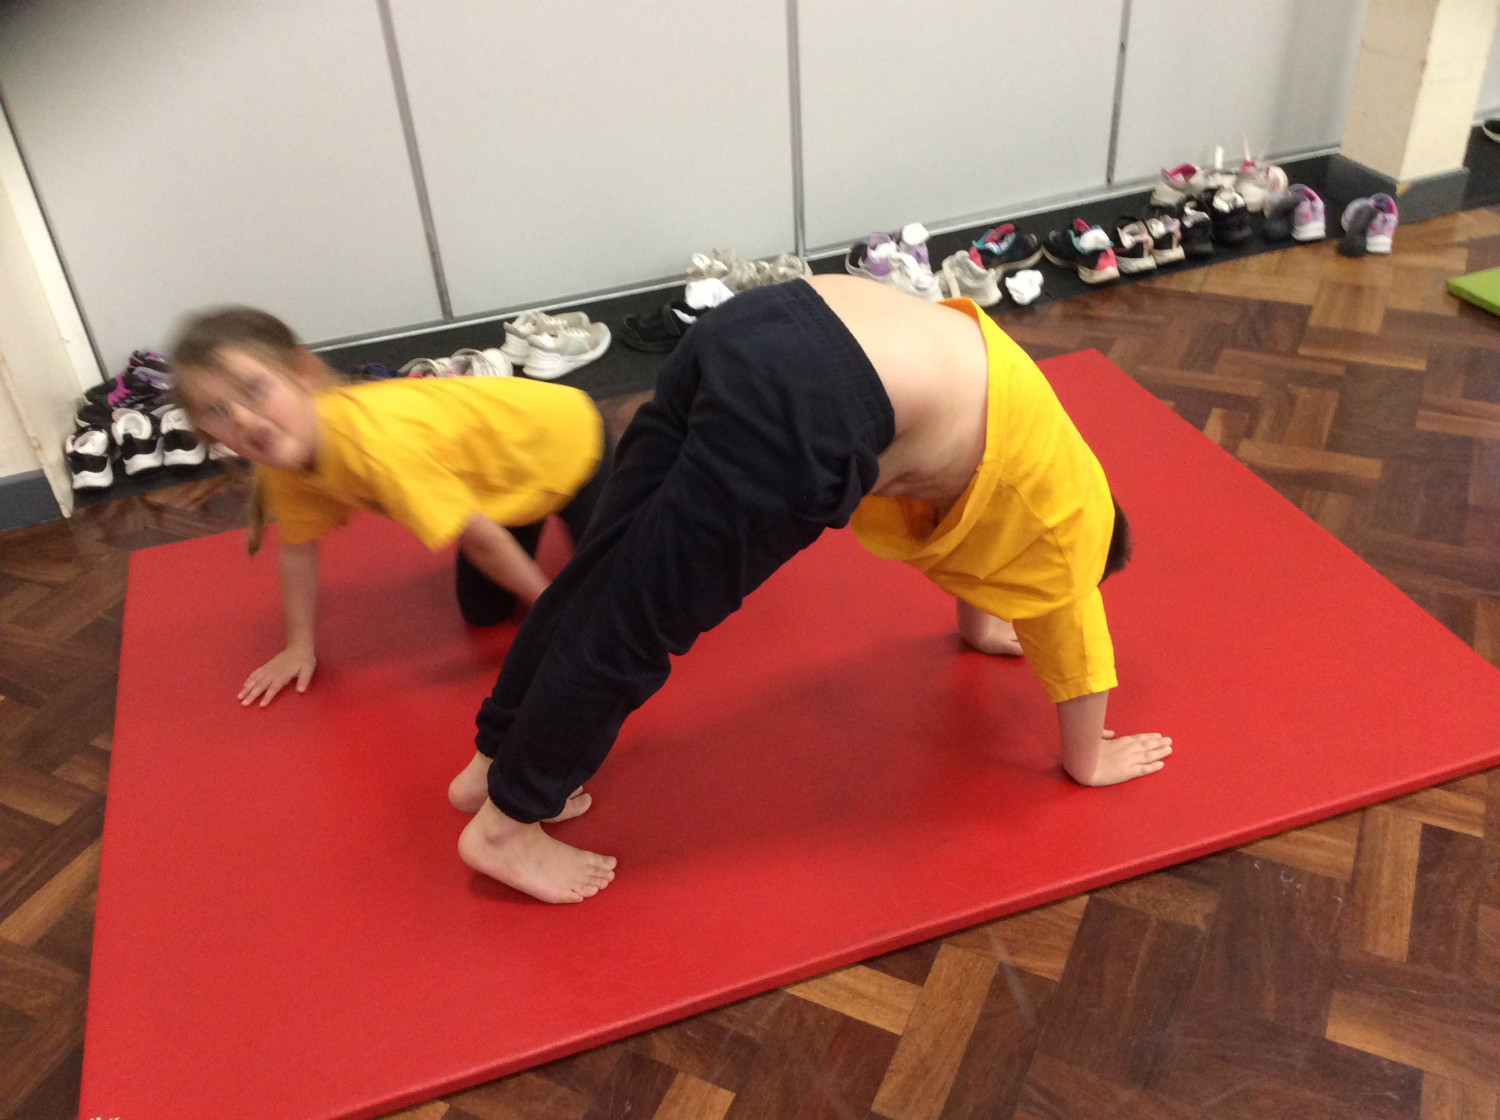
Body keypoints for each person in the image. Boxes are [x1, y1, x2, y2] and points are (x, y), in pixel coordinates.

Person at [448, 275, 1171, 904]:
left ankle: (493, 764)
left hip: (764, 318)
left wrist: (981, 629)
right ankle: (507, 828)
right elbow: (1073, 633)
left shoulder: (1044, 447)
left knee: (603, 568)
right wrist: (1088, 761)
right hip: (806, 394)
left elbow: (981, 530)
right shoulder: (1070, 532)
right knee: (638, 622)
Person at [169, 307, 609, 708]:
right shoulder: (282, 453)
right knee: (483, 612)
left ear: (302, 372)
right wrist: (299, 646)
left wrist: (552, 615)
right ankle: (540, 522)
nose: (244, 421)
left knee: (617, 605)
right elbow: (297, 547)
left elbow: (480, 539)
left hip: (571, 442)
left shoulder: (376, 447)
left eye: (255, 390)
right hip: (510, 479)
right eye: (217, 410)